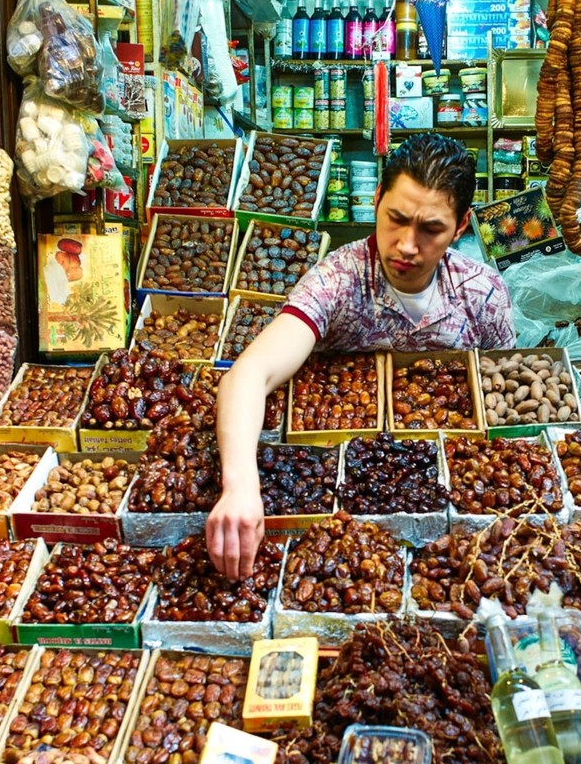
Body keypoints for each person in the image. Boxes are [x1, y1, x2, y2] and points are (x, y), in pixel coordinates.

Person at [206, 132, 515, 579]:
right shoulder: (337, 280)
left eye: (431, 230)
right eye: (396, 218)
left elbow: (503, 402)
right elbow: (248, 374)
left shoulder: (482, 293)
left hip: (453, 504)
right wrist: (239, 485)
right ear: (376, 200)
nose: (408, 245)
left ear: (461, 226)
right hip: (340, 500)